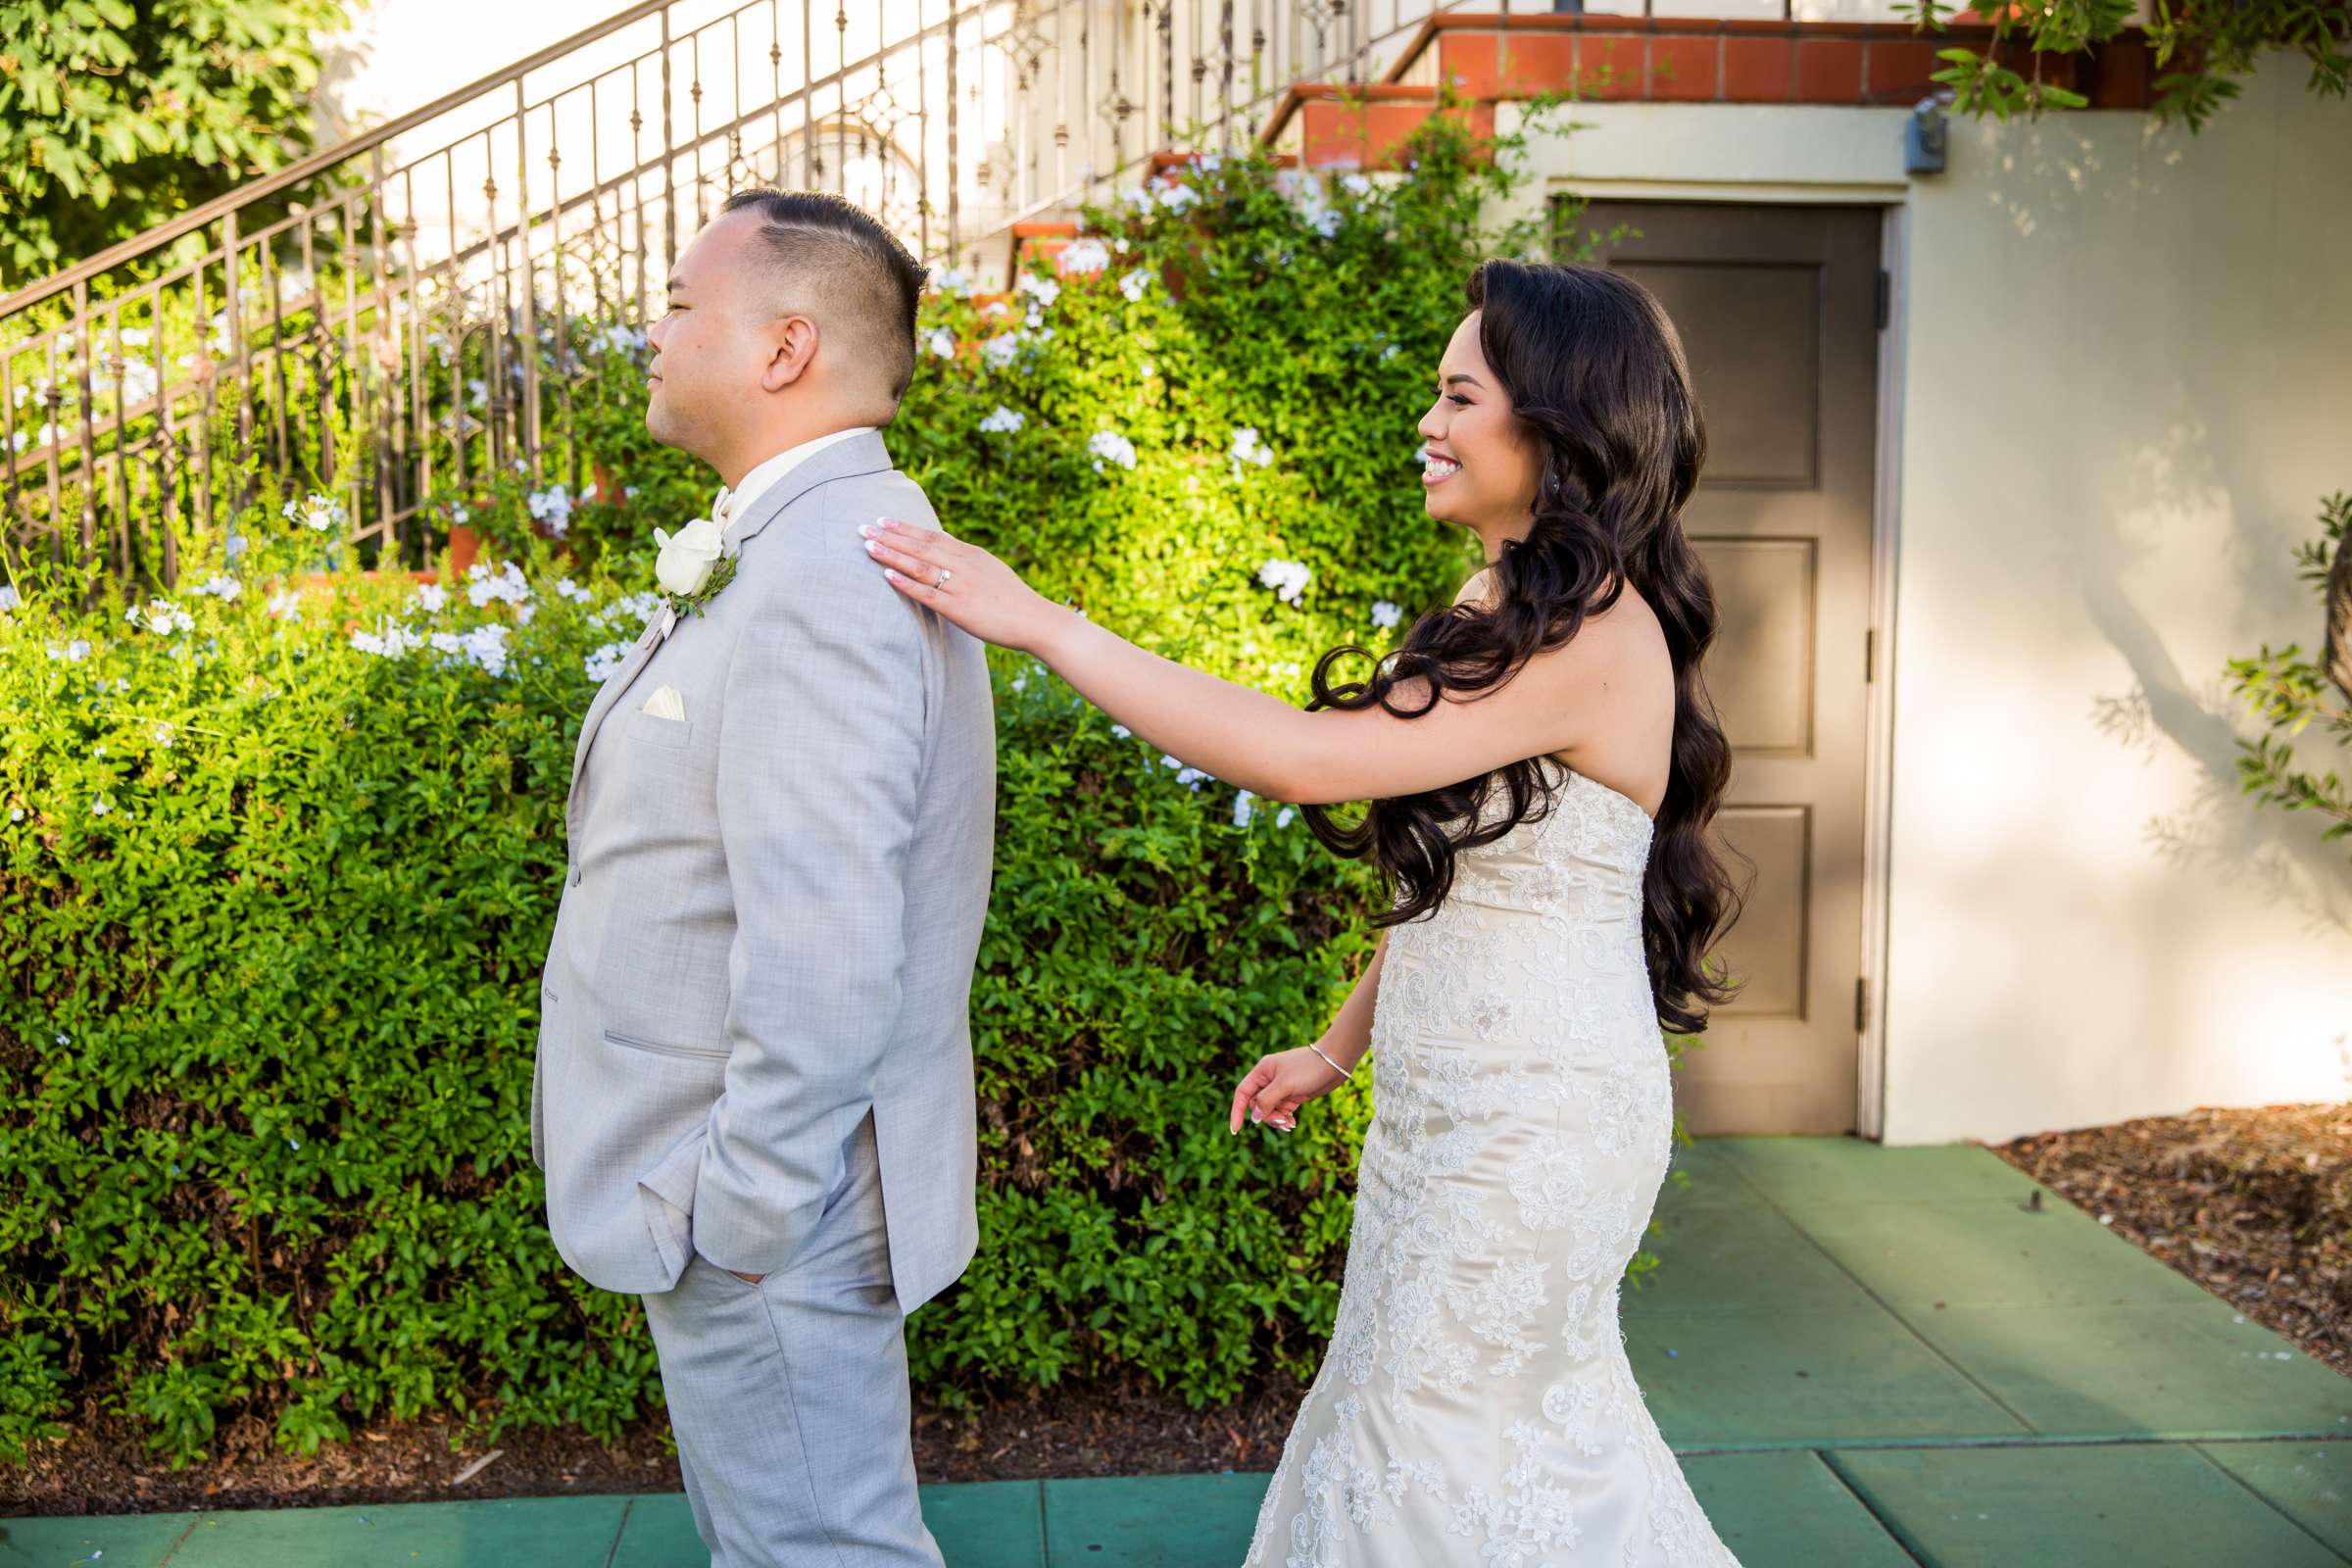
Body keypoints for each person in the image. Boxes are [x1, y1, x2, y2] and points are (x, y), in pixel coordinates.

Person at [857, 257, 1745, 1564]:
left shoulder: (1591, 633)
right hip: (1449, 1112)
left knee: (1443, 1437)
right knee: (1447, 1431)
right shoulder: (1504, 608)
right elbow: (1475, 879)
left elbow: (1305, 759)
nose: (1429, 426)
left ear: (1554, 427)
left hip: (1536, 1126)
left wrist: (1044, 624)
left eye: (1458, 396)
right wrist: (1341, 1045)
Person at [531, 188, 995, 1567]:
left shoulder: (823, 575)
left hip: (760, 1210)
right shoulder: (800, 542)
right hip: (742, 1198)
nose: (653, 331)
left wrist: (739, 1210)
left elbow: (827, 945)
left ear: (786, 348)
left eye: (681, 305)